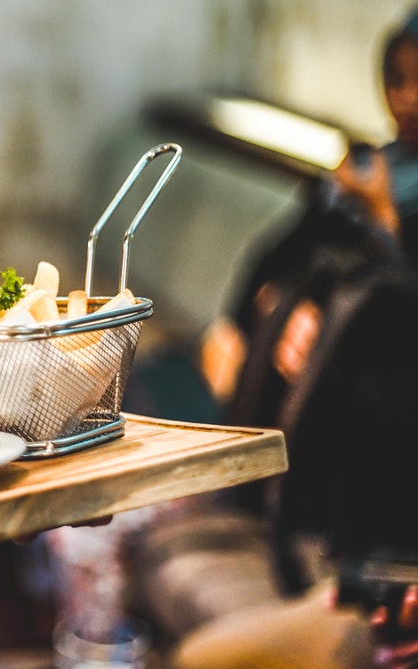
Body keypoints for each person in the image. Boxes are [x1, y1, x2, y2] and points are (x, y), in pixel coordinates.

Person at [153, 6, 418, 667]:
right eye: (394, 78)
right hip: (300, 393)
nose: (406, 100)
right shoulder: (363, 168)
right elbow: (270, 259)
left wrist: (383, 225)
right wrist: (253, 317)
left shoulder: (380, 190)